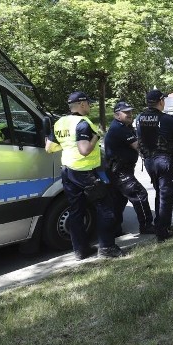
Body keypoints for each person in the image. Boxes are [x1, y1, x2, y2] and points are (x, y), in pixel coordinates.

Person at [45, 91, 123, 260]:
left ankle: (80, 250)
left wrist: (68, 146)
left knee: (76, 211)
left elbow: (49, 148)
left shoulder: (60, 123)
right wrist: (95, 137)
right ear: (81, 104)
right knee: (106, 208)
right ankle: (107, 248)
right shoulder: (82, 123)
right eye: (88, 103)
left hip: (67, 171)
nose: (89, 106)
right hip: (85, 172)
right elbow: (85, 150)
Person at [136, 89, 173, 243]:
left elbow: (140, 139)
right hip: (164, 160)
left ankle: (159, 223)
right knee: (167, 194)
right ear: (161, 101)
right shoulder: (167, 118)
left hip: (149, 162)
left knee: (159, 192)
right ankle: (163, 231)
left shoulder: (139, 118)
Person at [104, 100, 154, 236]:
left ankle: (114, 229)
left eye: (130, 111)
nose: (129, 114)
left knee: (119, 200)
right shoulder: (119, 129)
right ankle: (147, 226)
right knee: (140, 194)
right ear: (116, 115)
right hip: (120, 171)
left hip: (118, 170)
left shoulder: (123, 126)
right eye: (126, 112)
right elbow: (138, 146)